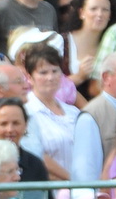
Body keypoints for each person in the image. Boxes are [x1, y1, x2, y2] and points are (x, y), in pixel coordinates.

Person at [20, 40, 103, 183]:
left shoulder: (73, 112)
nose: (50, 77)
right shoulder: (25, 112)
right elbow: (36, 155)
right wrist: (72, 180)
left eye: (55, 71)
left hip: (82, 193)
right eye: (43, 72)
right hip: (48, 194)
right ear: (29, 77)